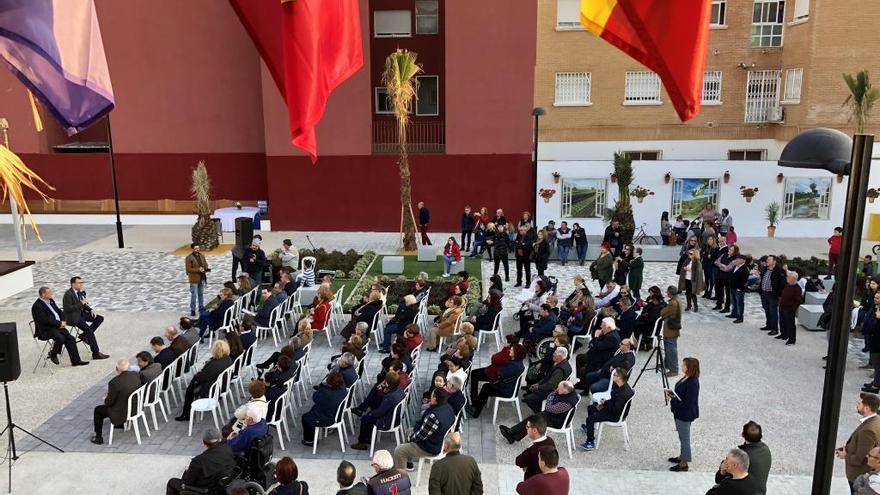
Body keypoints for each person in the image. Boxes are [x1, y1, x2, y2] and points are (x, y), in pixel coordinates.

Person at [394, 388, 456, 470]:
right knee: (408, 431)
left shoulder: (434, 416)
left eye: (432, 396)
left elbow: (420, 436)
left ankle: (400, 478)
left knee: (399, 450)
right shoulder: (448, 407)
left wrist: (411, 437)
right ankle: (409, 464)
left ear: (434, 398)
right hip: (439, 439)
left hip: (431, 447)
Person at [500, 381, 578, 444]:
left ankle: (511, 434)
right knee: (531, 419)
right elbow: (551, 396)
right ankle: (512, 434)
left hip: (557, 421)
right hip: (552, 415)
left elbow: (549, 408)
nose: (557, 389)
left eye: (559, 388)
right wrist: (552, 396)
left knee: (532, 421)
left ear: (565, 391)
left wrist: (550, 398)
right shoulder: (568, 392)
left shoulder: (566, 403)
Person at [166, 427, 236, 495]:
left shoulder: (198, 461)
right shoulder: (228, 448)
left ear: (204, 443)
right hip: (220, 486)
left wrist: (187, 471)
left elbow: (188, 482)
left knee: (172, 482)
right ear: (220, 439)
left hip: (205, 490)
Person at [175, 340, 233, 421]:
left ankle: (186, 414)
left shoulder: (215, 365)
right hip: (222, 384)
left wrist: (198, 373)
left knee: (190, 389)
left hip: (212, 388)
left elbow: (202, 377)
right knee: (192, 384)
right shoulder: (227, 358)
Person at [579, 367, 635, 450]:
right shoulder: (619, 385)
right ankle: (589, 428)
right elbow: (613, 401)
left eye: (614, 375)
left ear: (619, 377)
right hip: (612, 408)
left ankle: (590, 442)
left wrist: (604, 405)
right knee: (591, 408)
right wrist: (604, 403)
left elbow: (615, 410)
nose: (612, 376)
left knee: (590, 419)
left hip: (615, 415)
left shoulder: (623, 393)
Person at [31, 286, 88, 367]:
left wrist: (63, 320)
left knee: (71, 339)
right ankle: (53, 353)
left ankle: (76, 361)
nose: (52, 294)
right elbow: (44, 321)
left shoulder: (50, 301)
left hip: (57, 326)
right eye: (49, 293)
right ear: (43, 294)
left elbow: (59, 311)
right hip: (45, 330)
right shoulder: (37, 306)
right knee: (60, 338)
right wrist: (59, 323)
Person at [466, 344, 527, 418]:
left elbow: (500, 374)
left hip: (506, 389)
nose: (510, 350)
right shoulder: (518, 362)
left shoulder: (513, 366)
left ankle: (475, 411)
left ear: (516, 353)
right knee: (485, 384)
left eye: (512, 350)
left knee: (486, 387)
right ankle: (475, 403)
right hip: (508, 385)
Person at [350, 371, 406, 450]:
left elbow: (380, 412)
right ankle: (367, 437)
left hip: (387, 421)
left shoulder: (389, 398)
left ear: (388, 383)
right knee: (374, 398)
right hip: (395, 415)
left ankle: (361, 442)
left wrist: (370, 413)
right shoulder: (399, 390)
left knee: (365, 418)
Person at [91, 358, 141, 444]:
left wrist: (106, 398)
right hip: (136, 406)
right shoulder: (135, 374)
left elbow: (109, 402)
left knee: (98, 410)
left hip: (123, 411)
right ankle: (119, 424)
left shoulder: (114, 382)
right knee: (119, 400)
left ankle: (98, 437)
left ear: (117, 369)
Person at [713, 421, 771, 495]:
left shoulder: (742, 457)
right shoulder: (766, 449)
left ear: (742, 435)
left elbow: (719, 479)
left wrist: (722, 470)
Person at [838, 393, 880, 490]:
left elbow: (860, 458)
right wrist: (848, 448)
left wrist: (845, 455)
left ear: (866, 409)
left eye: (859, 403)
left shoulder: (868, 430)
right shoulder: (876, 419)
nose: (857, 405)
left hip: (858, 475)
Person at [62, 276, 108, 360]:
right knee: (89, 331)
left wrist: (90, 309)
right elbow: (68, 309)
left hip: (81, 314)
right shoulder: (68, 294)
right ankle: (96, 353)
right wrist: (81, 303)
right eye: (79, 283)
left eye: (82, 283)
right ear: (73, 284)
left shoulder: (79, 292)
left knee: (99, 318)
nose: (81, 284)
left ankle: (83, 335)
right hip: (73, 317)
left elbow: (83, 304)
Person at [668, 357, 701, 472]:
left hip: (685, 414)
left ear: (689, 368)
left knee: (685, 439)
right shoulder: (687, 378)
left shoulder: (693, 383)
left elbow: (688, 403)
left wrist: (674, 400)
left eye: (684, 365)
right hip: (679, 412)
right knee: (682, 437)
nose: (682, 366)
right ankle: (682, 456)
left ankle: (684, 463)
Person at [301, 371, 348, 445]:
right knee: (313, 409)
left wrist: (322, 387)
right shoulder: (342, 387)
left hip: (329, 418)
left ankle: (309, 441)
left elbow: (315, 398)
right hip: (337, 413)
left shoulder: (325, 393)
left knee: (305, 418)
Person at [524, 347, 571, 414]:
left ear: (560, 356)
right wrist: (538, 384)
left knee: (528, 398)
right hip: (553, 387)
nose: (553, 354)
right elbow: (547, 378)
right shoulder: (564, 364)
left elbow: (551, 385)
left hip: (552, 391)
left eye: (555, 353)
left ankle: (540, 413)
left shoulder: (559, 370)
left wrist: (538, 387)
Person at [513, 414, 556, 480]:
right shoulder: (550, 440)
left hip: (532, 481)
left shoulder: (532, 450)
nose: (526, 429)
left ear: (535, 431)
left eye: (527, 427)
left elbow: (518, 461)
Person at [759, 255, 786, 336]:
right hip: (764, 293)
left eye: (769, 260)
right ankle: (769, 325)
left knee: (773, 311)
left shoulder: (780, 270)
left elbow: (782, 284)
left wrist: (778, 294)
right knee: (766, 309)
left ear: (774, 261)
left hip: (772, 294)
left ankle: (774, 329)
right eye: (767, 259)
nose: (767, 261)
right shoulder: (765, 268)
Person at [661, 286, 683, 377]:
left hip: (670, 328)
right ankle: (667, 364)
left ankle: (674, 369)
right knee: (668, 346)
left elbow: (663, 312)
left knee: (671, 349)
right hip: (673, 327)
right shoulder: (677, 299)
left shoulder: (673, 303)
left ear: (670, 293)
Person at [185, 243, 210, 317]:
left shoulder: (202, 256)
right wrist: (198, 269)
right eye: (196, 248)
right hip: (194, 279)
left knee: (201, 294)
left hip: (201, 277)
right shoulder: (189, 258)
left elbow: (205, 264)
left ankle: (201, 308)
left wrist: (205, 268)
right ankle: (192, 310)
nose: (197, 250)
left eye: (198, 248)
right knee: (194, 295)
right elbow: (188, 269)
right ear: (193, 249)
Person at [778, 271, 802, 346]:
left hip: (790, 309)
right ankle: (784, 335)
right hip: (782, 307)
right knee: (782, 322)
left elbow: (798, 300)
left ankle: (792, 339)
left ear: (793, 278)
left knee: (790, 324)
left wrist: (793, 309)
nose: (787, 278)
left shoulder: (797, 288)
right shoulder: (787, 285)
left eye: (788, 277)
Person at [728, 256, 749, 324]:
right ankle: (734, 314)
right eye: (736, 259)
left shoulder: (745, 269)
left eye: (738, 259)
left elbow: (744, 281)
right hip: (732, 287)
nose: (736, 260)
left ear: (743, 261)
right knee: (734, 302)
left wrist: (739, 288)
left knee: (739, 303)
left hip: (739, 289)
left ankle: (740, 317)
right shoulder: (735, 266)